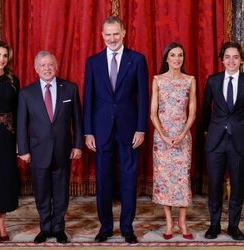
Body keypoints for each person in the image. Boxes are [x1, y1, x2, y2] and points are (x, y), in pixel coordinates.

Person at [83, 16, 149, 244]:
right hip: (101, 131)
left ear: (123, 34)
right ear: (102, 36)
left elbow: (143, 97)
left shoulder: (138, 60)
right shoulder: (93, 62)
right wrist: (88, 131)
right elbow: (88, 98)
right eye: (107, 34)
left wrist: (141, 128)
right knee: (103, 180)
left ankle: (127, 228)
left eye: (115, 33)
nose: (112, 38)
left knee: (129, 179)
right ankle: (106, 227)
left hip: (129, 130)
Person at [17, 50, 82, 244]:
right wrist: (24, 150)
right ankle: (45, 227)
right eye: (43, 65)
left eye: (50, 65)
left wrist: (77, 145)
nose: (47, 68)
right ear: (36, 69)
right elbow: (22, 124)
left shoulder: (70, 88)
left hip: (63, 150)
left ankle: (59, 227)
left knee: (61, 191)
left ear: (56, 66)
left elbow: (77, 121)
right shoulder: (26, 93)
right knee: (42, 191)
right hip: (38, 151)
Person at [150, 42, 196, 240]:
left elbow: (192, 113)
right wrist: (164, 136)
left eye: (180, 55)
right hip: (162, 139)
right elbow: (153, 114)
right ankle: (169, 222)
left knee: (182, 180)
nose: (177, 59)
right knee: (165, 180)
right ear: (166, 58)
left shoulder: (190, 80)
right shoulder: (158, 80)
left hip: (183, 137)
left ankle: (182, 222)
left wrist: (182, 134)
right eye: (173, 55)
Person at [203, 41, 244, 241]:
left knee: (238, 185)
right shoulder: (213, 81)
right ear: (222, 60)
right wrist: (206, 132)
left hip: (239, 141)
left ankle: (234, 226)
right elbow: (204, 110)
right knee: (215, 185)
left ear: (241, 60)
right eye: (227, 57)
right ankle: (214, 225)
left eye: (235, 57)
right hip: (215, 141)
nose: (231, 61)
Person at [0, 41, 19, 242]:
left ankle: (2, 220)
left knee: (5, 179)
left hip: (7, 138)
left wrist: (19, 140)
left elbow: (18, 112)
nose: (1, 59)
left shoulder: (13, 80)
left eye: (4, 55)